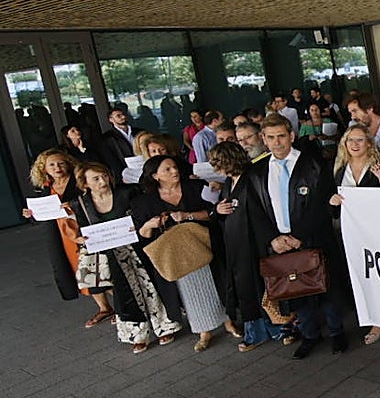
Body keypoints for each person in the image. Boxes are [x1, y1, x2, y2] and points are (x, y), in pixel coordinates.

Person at [245, 114, 346, 359]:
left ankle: (337, 333)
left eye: (281, 136)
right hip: (280, 243)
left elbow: (322, 204)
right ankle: (310, 335)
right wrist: (273, 238)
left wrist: (299, 235)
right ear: (263, 139)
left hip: (312, 238)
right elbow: (255, 211)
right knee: (295, 290)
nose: (277, 142)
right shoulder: (257, 170)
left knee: (325, 287)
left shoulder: (313, 164)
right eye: (271, 137)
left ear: (291, 135)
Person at [72, 162, 183, 353]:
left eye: (104, 176)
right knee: (125, 293)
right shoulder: (81, 204)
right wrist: (83, 238)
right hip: (111, 253)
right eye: (96, 179)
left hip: (137, 246)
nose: (103, 181)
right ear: (85, 183)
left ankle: (165, 326)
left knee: (150, 285)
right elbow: (84, 229)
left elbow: (142, 213)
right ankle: (137, 334)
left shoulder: (127, 193)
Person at [132, 155, 238, 352]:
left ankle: (228, 321)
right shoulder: (144, 202)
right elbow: (142, 235)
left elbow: (214, 212)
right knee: (190, 293)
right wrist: (150, 224)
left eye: (174, 167)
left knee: (217, 283)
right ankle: (203, 331)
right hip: (174, 255)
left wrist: (187, 216)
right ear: (155, 176)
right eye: (167, 170)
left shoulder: (196, 187)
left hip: (203, 244)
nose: (174, 171)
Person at [210, 141, 290, 352]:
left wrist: (271, 239)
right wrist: (218, 210)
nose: (216, 168)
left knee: (264, 287)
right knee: (246, 289)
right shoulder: (229, 182)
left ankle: (277, 327)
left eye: (218, 163)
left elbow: (262, 212)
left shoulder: (252, 178)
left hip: (255, 244)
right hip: (236, 246)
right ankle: (258, 330)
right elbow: (223, 209)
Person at [330, 125, 380, 346]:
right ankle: (378, 321)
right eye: (350, 140)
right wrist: (332, 203)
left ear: (369, 143)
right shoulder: (339, 170)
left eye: (360, 140)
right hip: (354, 236)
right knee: (367, 278)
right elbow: (333, 207)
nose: (354, 144)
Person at [23, 149, 105, 317]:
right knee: (77, 268)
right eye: (52, 165)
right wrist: (31, 214)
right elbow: (43, 215)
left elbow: (93, 199)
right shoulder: (45, 188)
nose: (57, 168)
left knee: (97, 266)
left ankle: (120, 305)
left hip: (81, 228)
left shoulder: (79, 181)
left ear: (68, 164)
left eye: (61, 163)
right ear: (44, 168)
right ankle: (104, 307)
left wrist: (73, 205)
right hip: (60, 235)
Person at [347, 92, 380, 163]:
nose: (352, 117)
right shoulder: (354, 126)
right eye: (351, 113)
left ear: (370, 109)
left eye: (355, 111)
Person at [100, 105, 142, 179]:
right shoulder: (108, 137)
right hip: (126, 171)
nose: (123, 117)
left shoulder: (138, 131)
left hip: (143, 165)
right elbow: (111, 159)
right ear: (111, 119)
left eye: (123, 114)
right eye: (118, 116)